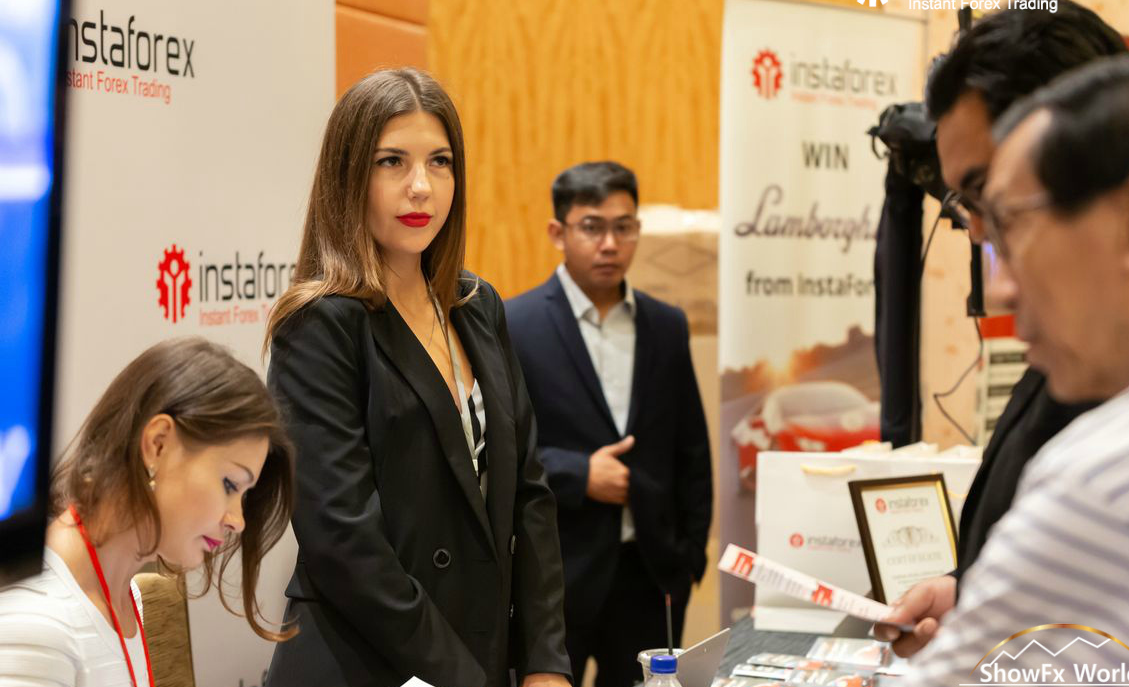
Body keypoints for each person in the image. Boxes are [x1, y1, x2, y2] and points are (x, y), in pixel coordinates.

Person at [263, 68, 571, 687]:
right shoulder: (320, 322)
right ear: (349, 175)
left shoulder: (477, 304)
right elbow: (342, 539)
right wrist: (463, 677)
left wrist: (545, 661)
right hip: (366, 663)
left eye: (440, 162)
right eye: (392, 162)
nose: (421, 187)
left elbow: (529, 493)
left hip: (477, 653)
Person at [874, 0, 1125, 657]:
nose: (982, 238)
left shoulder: (1098, 466)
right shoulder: (1072, 362)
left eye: (1001, 200)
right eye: (966, 204)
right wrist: (975, 593)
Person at [505, 162, 712, 687]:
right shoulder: (514, 324)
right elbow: (499, 448)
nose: (610, 245)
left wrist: (690, 557)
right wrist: (578, 474)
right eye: (592, 227)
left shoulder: (666, 324)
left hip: (650, 572)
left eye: (624, 227)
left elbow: (691, 446)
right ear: (558, 233)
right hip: (555, 572)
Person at [0, 337, 296, 687]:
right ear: (158, 444)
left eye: (244, 496)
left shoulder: (126, 597)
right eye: (230, 484)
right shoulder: (37, 618)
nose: (237, 520)